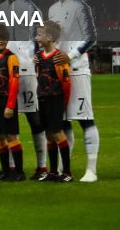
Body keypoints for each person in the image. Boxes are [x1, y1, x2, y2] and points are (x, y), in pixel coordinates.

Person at [48, 0, 99, 182]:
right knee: (63, 121)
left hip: (77, 71)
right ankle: (63, 167)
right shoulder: (52, 9)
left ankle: (91, 169)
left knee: (85, 119)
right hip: (58, 72)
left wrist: (72, 55)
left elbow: (91, 37)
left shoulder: (80, 6)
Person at [0, 0, 47, 178]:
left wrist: (41, 62)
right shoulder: (0, 8)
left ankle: (42, 166)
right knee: (7, 119)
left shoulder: (31, 8)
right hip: (5, 74)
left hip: (27, 72)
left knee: (34, 117)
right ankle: (10, 168)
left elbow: (41, 39)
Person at [0, 25, 25, 181]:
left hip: (6, 102)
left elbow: (14, 81)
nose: (1, 41)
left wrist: (10, 105)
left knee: (11, 136)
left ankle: (19, 172)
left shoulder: (11, 58)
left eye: (3, 38)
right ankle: (6, 171)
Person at [36, 21, 73, 182]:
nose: (37, 37)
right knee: (49, 135)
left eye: (40, 34)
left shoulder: (59, 57)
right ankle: (52, 171)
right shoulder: (38, 57)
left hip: (55, 99)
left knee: (58, 133)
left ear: (50, 37)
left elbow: (66, 82)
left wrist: (62, 104)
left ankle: (67, 172)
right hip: (42, 99)